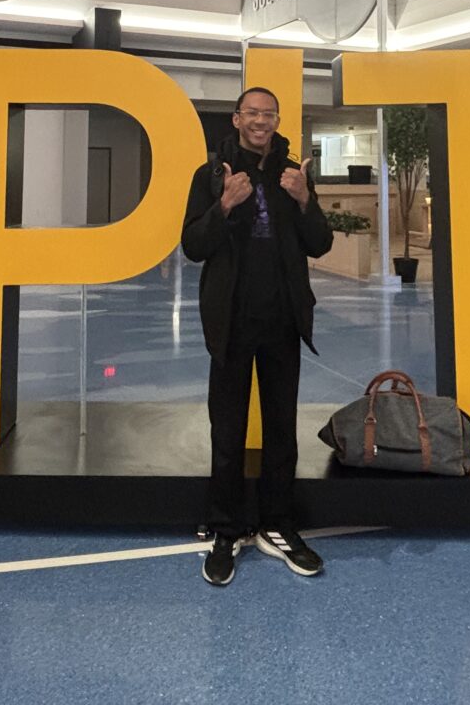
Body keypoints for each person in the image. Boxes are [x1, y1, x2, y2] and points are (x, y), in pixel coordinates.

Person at [181, 86, 333, 586]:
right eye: (252, 113)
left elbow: (320, 243)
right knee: (226, 431)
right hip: (231, 319)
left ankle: (277, 525)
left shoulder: (293, 175)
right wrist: (224, 205)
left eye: (269, 114)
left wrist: (305, 199)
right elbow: (193, 246)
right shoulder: (210, 176)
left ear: (277, 121)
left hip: (282, 319)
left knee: (281, 429)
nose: (261, 121)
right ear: (236, 118)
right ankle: (225, 530)